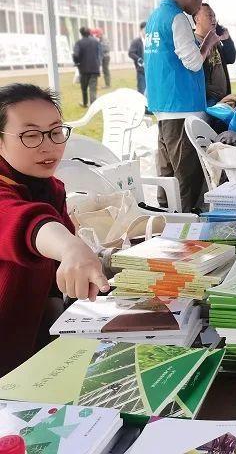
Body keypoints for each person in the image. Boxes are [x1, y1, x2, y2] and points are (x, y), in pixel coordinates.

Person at [0, 84, 109, 376]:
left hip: (28, 355)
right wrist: (70, 247)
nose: (49, 145)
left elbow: (52, 277)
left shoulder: (50, 188)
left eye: (55, 131)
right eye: (31, 135)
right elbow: (23, 223)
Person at [144, 0, 217, 212]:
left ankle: (168, 219)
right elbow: (193, 62)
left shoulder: (156, 17)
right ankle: (187, 225)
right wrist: (208, 43)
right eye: (200, 0)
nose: (198, 8)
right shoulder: (177, 18)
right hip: (182, 107)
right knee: (188, 177)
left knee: (168, 176)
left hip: (163, 105)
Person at [193, 3, 236, 106]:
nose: (213, 19)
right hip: (207, 101)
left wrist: (226, 39)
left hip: (223, 97)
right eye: (209, 15)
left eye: (214, 16)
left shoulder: (215, 41)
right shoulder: (192, 43)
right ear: (197, 19)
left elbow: (231, 58)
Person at [72, 26, 101, 108]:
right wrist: (98, 63)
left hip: (83, 69)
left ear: (81, 33)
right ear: (89, 33)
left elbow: (75, 54)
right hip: (95, 68)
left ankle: (85, 103)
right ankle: (93, 105)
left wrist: (76, 62)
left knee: (84, 87)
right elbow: (100, 53)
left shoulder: (79, 43)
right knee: (93, 88)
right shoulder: (96, 41)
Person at [128, 22, 147, 95]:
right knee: (141, 90)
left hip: (151, 70)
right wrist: (139, 60)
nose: (147, 31)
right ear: (141, 30)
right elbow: (131, 53)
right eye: (145, 30)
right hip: (141, 70)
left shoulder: (152, 41)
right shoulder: (136, 41)